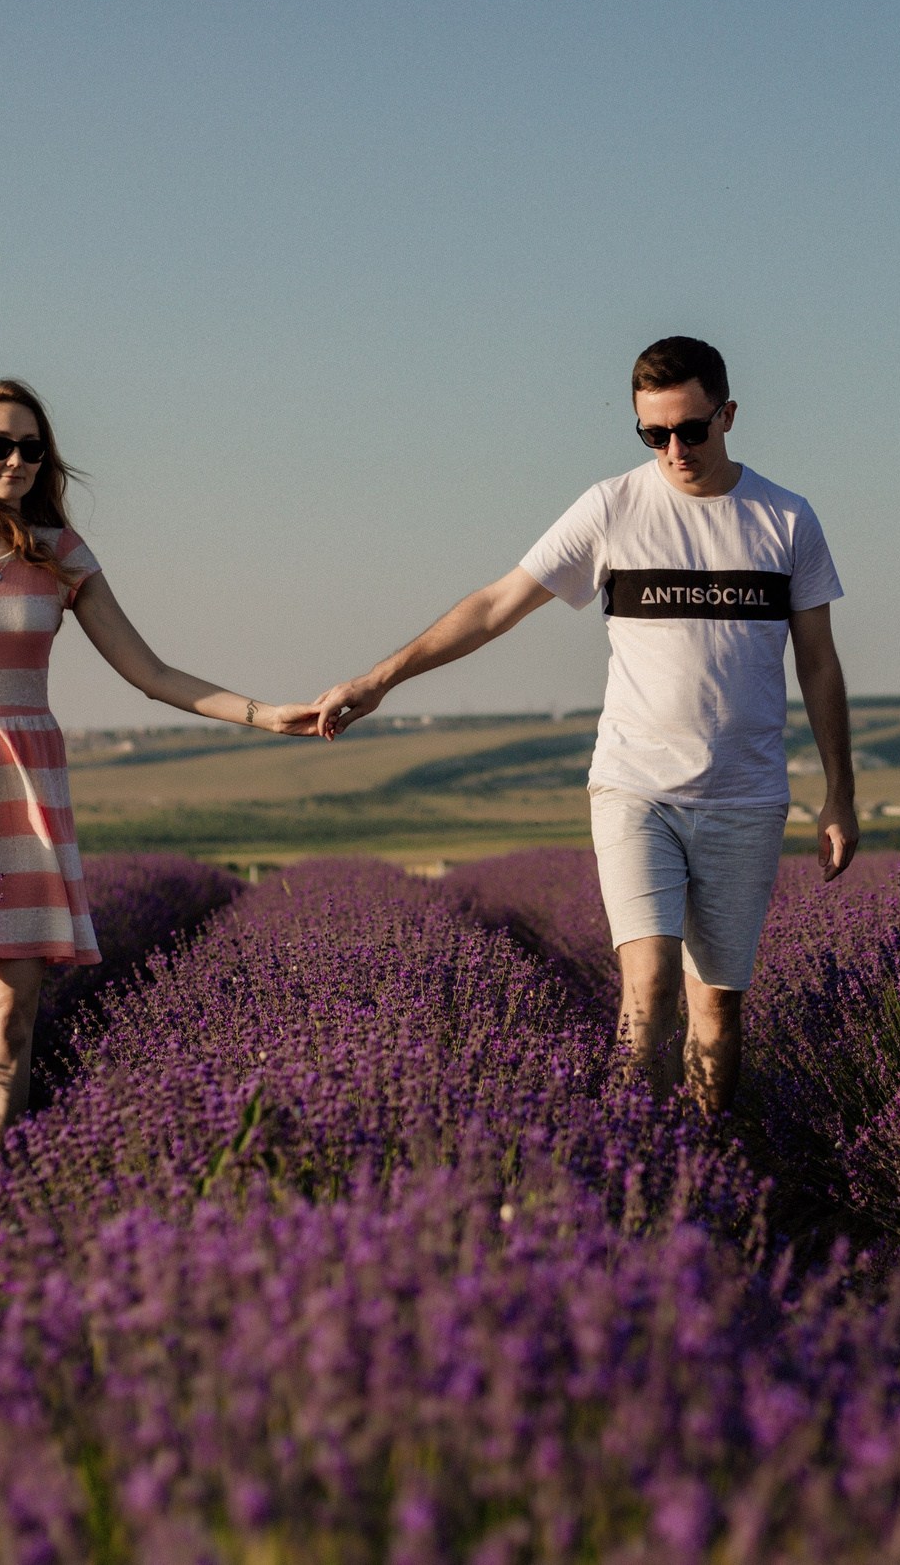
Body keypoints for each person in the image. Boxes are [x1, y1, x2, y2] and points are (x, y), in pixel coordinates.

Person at [315, 336, 856, 1113]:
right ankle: (636, 1163)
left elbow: (820, 666)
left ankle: (703, 1178)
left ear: (728, 414)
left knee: (719, 1005)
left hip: (746, 797)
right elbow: (496, 605)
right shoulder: (612, 507)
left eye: (692, 429)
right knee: (651, 985)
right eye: (653, 434)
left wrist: (840, 792)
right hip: (636, 787)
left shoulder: (787, 520)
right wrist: (380, 677)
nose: (674, 449)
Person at [0, 378, 324, 1170]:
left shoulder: (60, 557)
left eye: (32, 448)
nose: (15, 460)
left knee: (11, 1025)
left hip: (26, 798)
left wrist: (264, 712)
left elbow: (149, 671)